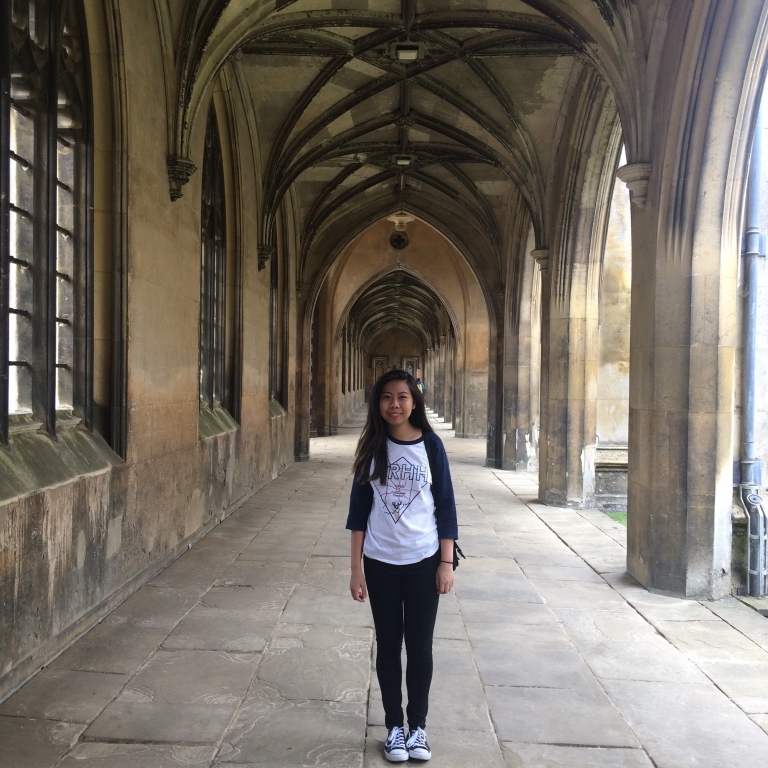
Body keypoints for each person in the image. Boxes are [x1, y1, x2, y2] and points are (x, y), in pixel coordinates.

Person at [346, 369, 458, 763]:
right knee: (389, 645)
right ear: (378, 403)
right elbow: (358, 513)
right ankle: (394, 726)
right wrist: (356, 568)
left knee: (421, 647)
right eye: (386, 398)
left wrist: (446, 563)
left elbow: (445, 506)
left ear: (415, 402)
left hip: (424, 561)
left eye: (402, 397)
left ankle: (419, 728)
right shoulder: (372, 447)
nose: (394, 404)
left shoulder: (431, 446)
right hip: (380, 563)